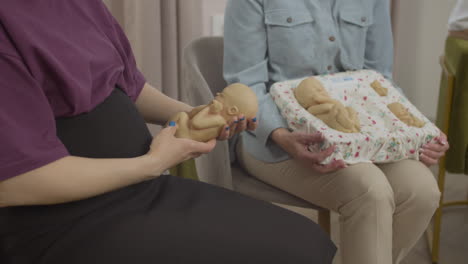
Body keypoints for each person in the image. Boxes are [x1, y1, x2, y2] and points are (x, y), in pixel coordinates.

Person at [0, 1, 337, 263]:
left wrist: (195, 114)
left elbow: (127, 86)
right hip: (66, 225)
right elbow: (16, 182)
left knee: (307, 240)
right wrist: (152, 162)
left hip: (143, 191)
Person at [223, 1, 449, 264]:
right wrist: (282, 136)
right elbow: (245, 84)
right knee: (370, 191)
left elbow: (379, 80)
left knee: (421, 192)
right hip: (272, 138)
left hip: (364, 137)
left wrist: (418, 130)